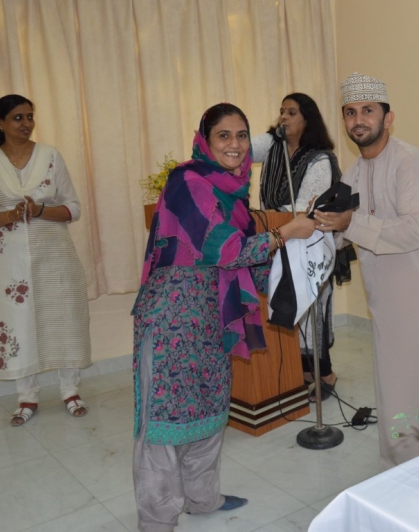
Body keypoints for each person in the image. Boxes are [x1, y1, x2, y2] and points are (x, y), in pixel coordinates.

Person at [132, 103, 315, 532]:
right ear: (205, 140)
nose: (235, 145)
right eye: (224, 135)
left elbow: (249, 258)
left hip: (213, 318)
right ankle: (157, 520)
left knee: (210, 412)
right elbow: (225, 248)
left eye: (242, 135)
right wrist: (287, 232)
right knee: (164, 424)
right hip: (172, 320)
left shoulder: (233, 192)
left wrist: (298, 263)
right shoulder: (187, 181)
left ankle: (202, 499)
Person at [314, 73, 419, 469]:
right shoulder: (354, 173)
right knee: (398, 393)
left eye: (368, 111)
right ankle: (404, 474)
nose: (359, 120)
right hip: (389, 305)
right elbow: (345, 232)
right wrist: (319, 226)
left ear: (388, 118)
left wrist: (348, 224)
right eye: (350, 112)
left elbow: (410, 232)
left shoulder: (411, 162)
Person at [0, 94, 91, 426]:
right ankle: (27, 396)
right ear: (0, 122)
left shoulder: (50, 155)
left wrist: (39, 211)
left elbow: (73, 208)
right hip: (10, 263)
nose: (26, 124)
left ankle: (70, 391)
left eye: (30, 117)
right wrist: (9, 215)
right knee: (18, 323)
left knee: (64, 318)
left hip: (55, 254)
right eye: (18, 118)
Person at [252, 93, 342, 401]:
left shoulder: (320, 158)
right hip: (278, 238)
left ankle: (326, 373)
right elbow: (241, 148)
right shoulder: (273, 144)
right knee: (290, 307)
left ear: (307, 118)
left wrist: (265, 218)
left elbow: (305, 207)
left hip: (311, 243)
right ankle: (303, 372)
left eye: (291, 112)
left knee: (312, 309)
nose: (284, 117)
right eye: (282, 111)